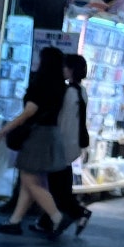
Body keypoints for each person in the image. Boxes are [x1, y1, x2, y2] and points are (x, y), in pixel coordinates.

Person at [0, 46, 70, 240]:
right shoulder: (60, 86)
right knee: (33, 182)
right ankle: (15, 221)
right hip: (50, 135)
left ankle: (57, 216)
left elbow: (29, 111)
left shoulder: (40, 83)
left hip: (37, 137)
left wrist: (4, 130)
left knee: (30, 180)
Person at [32, 54, 91, 237]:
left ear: (70, 70)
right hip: (73, 144)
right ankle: (49, 221)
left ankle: (75, 213)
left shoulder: (69, 93)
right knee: (60, 185)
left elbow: (63, 121)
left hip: (62, 143)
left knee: (57, 187)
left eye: (65, 67)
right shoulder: (81, 91)